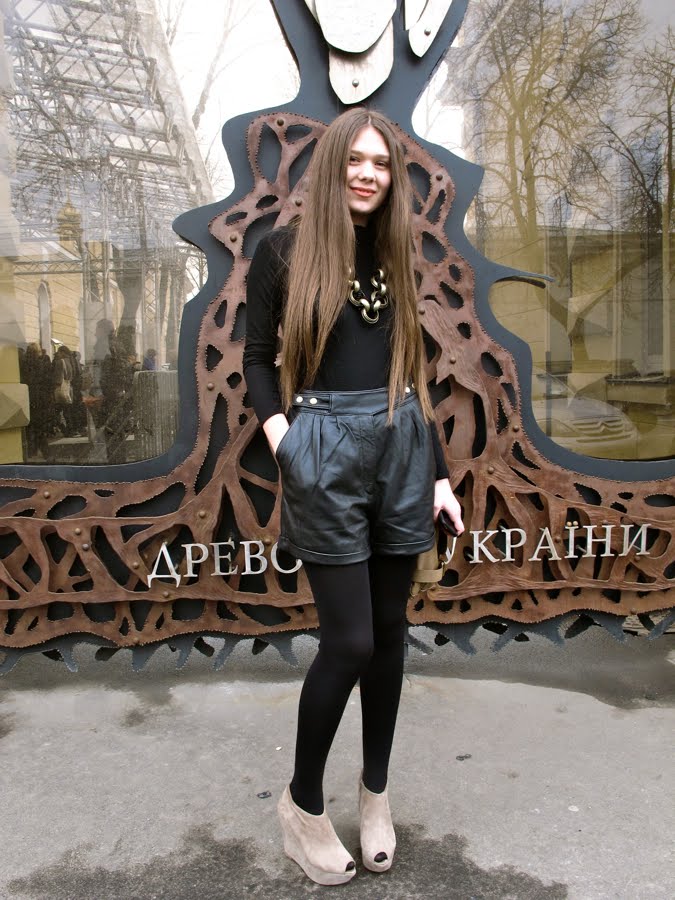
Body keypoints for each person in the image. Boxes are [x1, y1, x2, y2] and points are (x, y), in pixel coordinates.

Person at [243, 108, 464, 886]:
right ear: (332, 164)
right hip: (324, 445)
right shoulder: (282, 251)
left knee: (392, 632)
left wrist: (437, 473)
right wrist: (285, 440)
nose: (368, 174)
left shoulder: (394, 253)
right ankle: (302, 807)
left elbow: (410, 370)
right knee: (350, 641)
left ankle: (375, 795)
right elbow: (258, 358)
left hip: (401, 441)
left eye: (381, 163)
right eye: (355, 160)